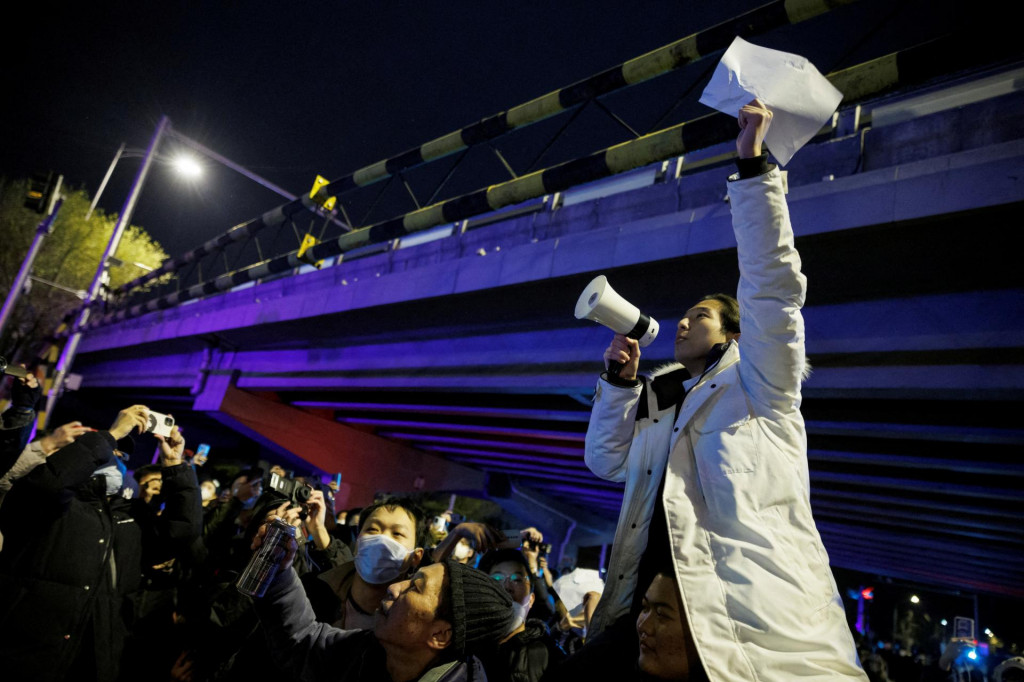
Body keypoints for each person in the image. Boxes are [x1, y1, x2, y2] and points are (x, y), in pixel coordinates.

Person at [583, 100, 866, 679]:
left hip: (748, 631)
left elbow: (773, 289)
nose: (683, 323)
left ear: (735, 334)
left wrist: (755, 169)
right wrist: (619, 385)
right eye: (683, 315)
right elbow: (605, 461)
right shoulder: (662, 402)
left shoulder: (761, 382)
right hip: (645, 616)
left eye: (701, 316)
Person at [0, 405, 201, 682]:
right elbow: (49, 485)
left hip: (96, 663)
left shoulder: (128, 517)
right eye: (109, 449)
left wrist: (176, 468)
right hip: (25, 657)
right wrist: (111, 434)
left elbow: (182, 533)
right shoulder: (45, 501)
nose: (114, 457)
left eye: (120, 453)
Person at [252, 511, 515, 682]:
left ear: (440, 635)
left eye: (414, 588)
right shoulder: (369, 648)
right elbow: (305, 642)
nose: (395, 587)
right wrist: (279, 571)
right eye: (372, 529)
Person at [304, 496, 426, 630]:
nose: (382, 539)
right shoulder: (312, 595)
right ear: (357, 543)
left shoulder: (415, 625)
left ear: (416, 557)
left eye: (397, 533)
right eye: (372, 530)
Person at [477, 547, 565, 682]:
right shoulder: (467, 647)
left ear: (531, 599)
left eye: (517, 579)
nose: (507, 586)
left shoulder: (548, 655)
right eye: (497, 578)